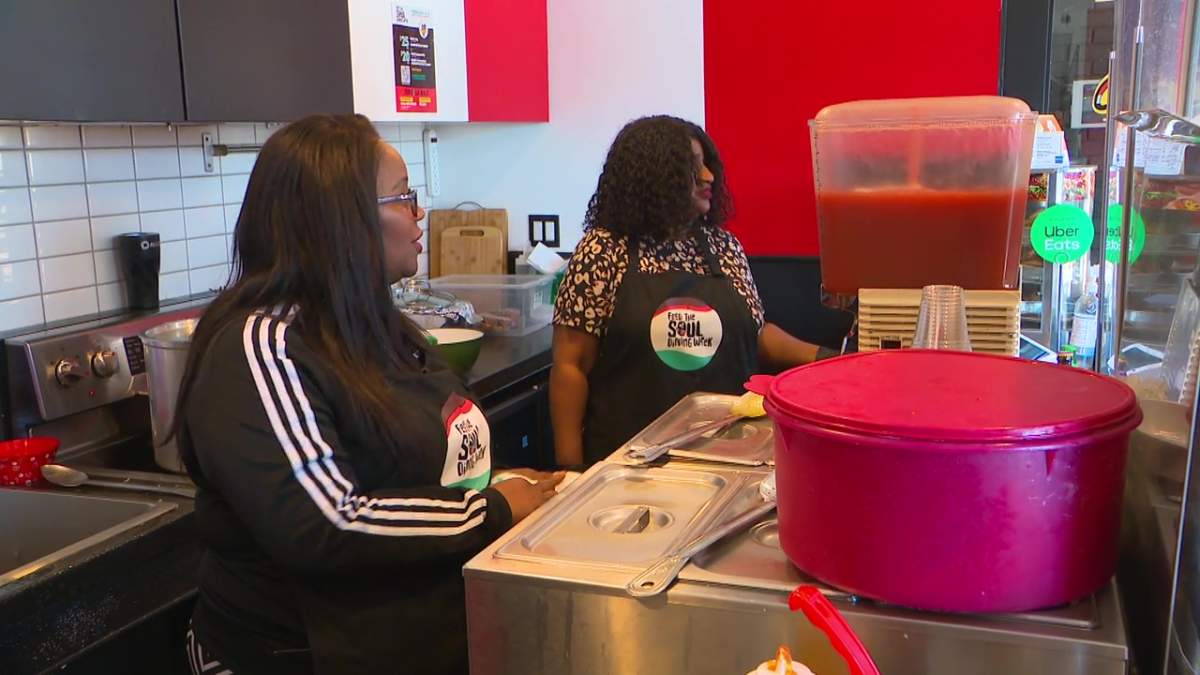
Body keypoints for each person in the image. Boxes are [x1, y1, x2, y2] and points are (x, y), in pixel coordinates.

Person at [171, 114, 562, 674]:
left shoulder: (375, 324)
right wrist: (492, 509)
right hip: (296, 654)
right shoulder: (262, 344)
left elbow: (410, 464)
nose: (420, 213)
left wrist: (498, 481)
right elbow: (327, 522)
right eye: (403, 197)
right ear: (340, 218)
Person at [551, 115, 824, 467]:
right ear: (654, 177)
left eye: (707, 165)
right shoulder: (604, 251)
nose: (708, 176)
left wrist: (829, 358)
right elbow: (571, 366)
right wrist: (571, 471)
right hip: (629, 465)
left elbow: (754, 334)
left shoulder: (723, 247)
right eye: (693, 168)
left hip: (728, 454)